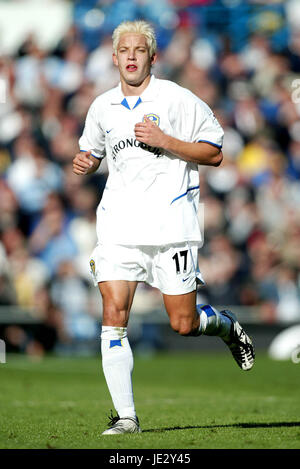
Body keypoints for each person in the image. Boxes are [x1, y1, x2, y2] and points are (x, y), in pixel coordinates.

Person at [72, 20, 255, 435]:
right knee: (113, 315)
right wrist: (86, 162)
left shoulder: (176, 99)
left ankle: (224, 324)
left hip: (171, 225)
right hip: (117, 226)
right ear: (115, 57)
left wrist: (165, 140)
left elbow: (215, 153)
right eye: (124, 51)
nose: (131, 57)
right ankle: (126, 418)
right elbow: (92, 150)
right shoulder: (101, 106)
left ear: (152, 58)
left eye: (140, 50)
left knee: (182, 323)